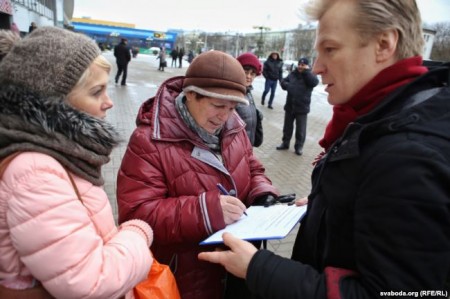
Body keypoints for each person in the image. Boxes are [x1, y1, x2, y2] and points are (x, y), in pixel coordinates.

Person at [198, 0, 450, 298]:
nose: (316, 67)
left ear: (384, 44)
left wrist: (259, 268)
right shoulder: (378, 119)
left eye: (329, 49)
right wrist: (326, 209)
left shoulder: (407, 156)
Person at [0, 27, 153, 298]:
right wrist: (137, 232)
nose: (109, 103)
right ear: (55, 104)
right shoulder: (36, 171)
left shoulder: (57, 150)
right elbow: (89, 282)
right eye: (96, 92)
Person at [116, 50, 280, 299]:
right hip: (185, 279)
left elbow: (252, 166)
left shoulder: (234, 127)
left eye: (232, 107)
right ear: (190, 94)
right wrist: (206, 210)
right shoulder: (149, 140)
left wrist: (262, 192)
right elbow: (136, 215)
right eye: (217, 105)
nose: (225, 116)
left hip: (234, 270)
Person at [277, 57, 319, 155]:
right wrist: (288, 86)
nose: (300, 66)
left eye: (303, 65)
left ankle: (299, 147)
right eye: (299, 64)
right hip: (290, 106)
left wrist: (306, 72)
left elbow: (314, 83)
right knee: (287, 127)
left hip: (302, 108)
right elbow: (283, 82)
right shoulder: (293, 73)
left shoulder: (310, 75)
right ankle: (285, 143)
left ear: (307, 66)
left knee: (301, 130)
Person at [236, 52, 264, 147]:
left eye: (252, 74)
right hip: (236, 148)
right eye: (246, 72)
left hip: (246, 146)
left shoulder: (248, 92)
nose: (249, 76)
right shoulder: (233, 92)